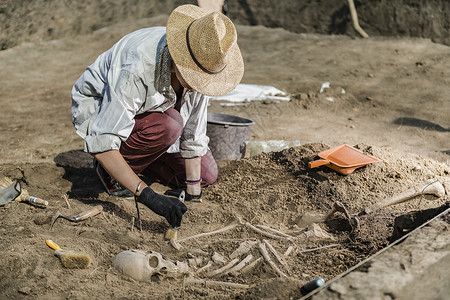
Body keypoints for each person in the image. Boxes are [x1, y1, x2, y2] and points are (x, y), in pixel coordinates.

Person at [70, 4, 244, 228]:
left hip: (151, 119)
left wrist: (193, 191)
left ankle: (142, 157)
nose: (200, 85)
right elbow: (102, 142)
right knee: (170, 125)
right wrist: (149, 197)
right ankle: (110, 174)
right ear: (178, 65)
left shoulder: (205, 62)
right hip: (100, 109)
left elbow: (194, 133)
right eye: (195, 78)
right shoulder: (137, 67)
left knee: (206, 176)